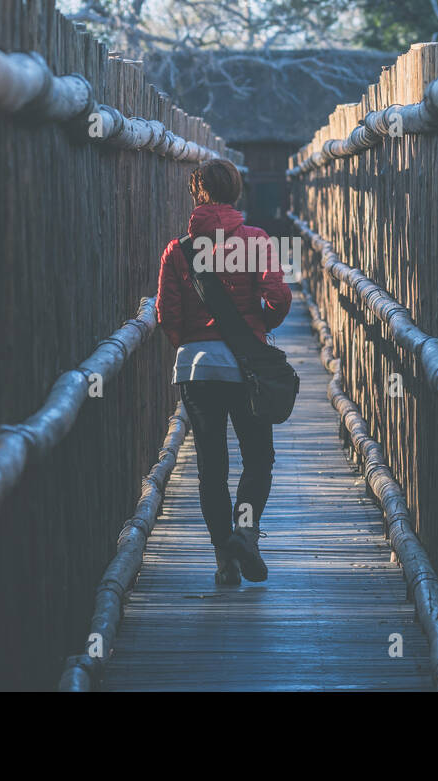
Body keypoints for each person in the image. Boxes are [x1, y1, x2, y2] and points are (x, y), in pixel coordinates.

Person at [156, 159, 291, 585]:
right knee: (258, 457)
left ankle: (223, 560)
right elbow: (279, 297)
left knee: (211, 466)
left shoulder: (178, 249)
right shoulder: (254, 240)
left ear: (197, 194)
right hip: (245, 367)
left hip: (196, 369)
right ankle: (246, 533)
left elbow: (166, 315)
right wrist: (257, 328)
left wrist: (192, 343)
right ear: (236, 191)